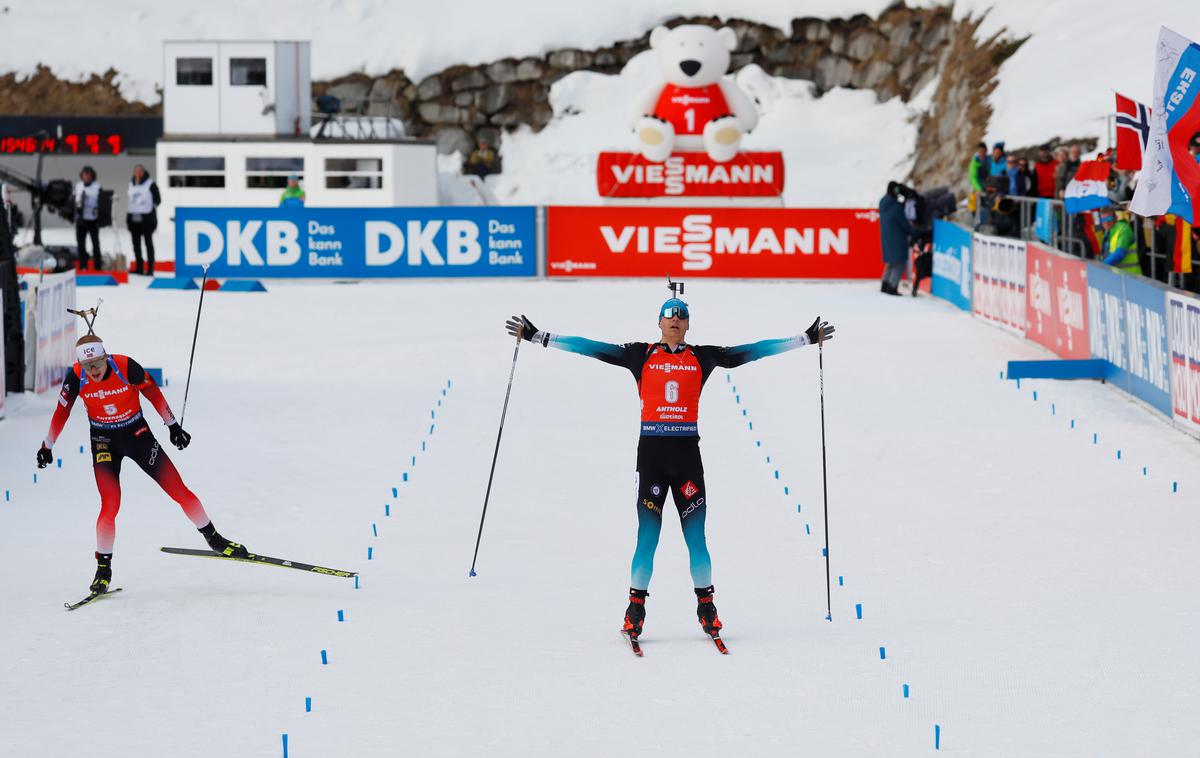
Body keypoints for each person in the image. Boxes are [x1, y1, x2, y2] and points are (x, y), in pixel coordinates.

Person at [503, 303, 834, 644]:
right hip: (652, 459)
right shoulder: (639, 355)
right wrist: (537, 336)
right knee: (647, 538)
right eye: (669, 316)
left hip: (687, 459)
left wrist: (805, 339)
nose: (675, 321)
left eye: (681, 317)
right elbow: (592, 348)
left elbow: (747, 353)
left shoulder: (702, 357)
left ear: (689, 324)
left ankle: (706, 606)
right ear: (659, 321)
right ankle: (635, 609)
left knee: (696, 539)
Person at [36, 331, 248, 594]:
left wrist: (172, 426)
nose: (94, 371)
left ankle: (214, 539)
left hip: (138, 436)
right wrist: (47, 446)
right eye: (88, 366)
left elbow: (152, 392)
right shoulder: (76, 376)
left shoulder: (124, 365)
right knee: (110, 504)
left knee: (178, 490)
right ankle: (103, 569)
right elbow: (61, 412)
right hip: (103, 441)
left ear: (105, 357)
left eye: (98, 364)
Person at [880, 181, 915, 295]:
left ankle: (885, 284)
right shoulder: (895, 206)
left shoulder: (884, 202)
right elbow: (903, 223)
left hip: (887, 237)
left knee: (891, 262)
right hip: (897, 238)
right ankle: (892, 287)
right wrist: (915, 233)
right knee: (899, 264)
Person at [126, 164, 161, 276]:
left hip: (146, 219)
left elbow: (157, 200)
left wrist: (148, 209)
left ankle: (150, 269)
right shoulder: (131, 184)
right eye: (136, 171)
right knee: (136, 245)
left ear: (143, 172)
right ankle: (139, 267)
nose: (138, 173)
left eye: (140, 171)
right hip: (134, 219)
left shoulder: (150, 184)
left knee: (148, 243)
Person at [74, 166, 102, 271]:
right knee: (81, 244)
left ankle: (97, 266)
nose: (86, 176)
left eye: (89, 174)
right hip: (81, 219)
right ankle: (83, 266)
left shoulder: (97, 187)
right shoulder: (78, 186)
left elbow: (102, 202)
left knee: (95, 243)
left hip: (93, 219)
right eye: (85, 174)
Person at [1099, 208, 1139, 273]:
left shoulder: (1124, 229)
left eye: (1109, 219)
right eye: (1103, 220)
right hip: (1117, 275)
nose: (1106, 222)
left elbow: (1120, 253)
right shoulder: (1108, 232)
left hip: (1131, 276)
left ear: (1116, 218)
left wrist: (1102, 266)